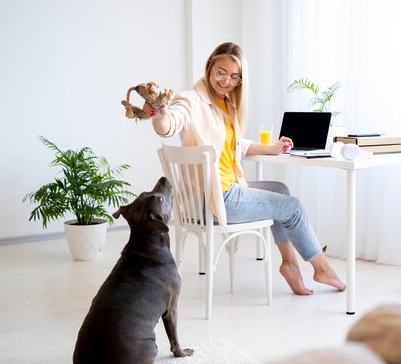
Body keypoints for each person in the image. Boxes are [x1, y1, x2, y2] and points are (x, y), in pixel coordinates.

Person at [145, 42, 345, 295]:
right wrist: (159, 113)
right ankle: (322, 268)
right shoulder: (190, 100)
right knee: (292, 207)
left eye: (234, 77)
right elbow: (168, 124)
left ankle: (290, 264)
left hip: (227, 190)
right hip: (216, 199)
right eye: (221, 72)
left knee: (281, 189)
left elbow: (237, 144)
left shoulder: (225, 104)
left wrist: (271, 147)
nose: (226, 81)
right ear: (210, 67)